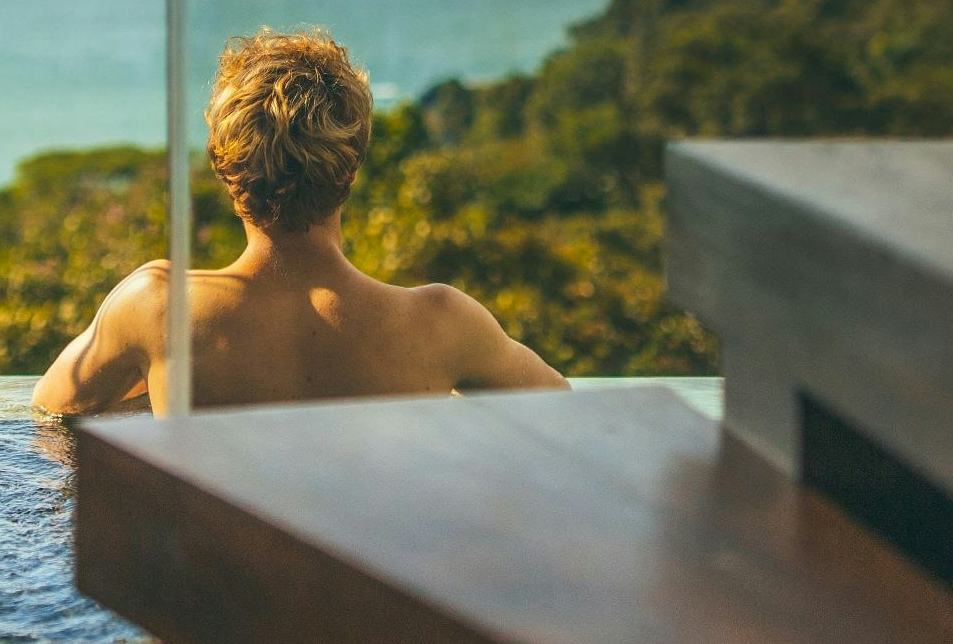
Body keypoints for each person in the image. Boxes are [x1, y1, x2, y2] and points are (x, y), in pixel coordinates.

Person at [32, 28, 566, 415]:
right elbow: (559, 404)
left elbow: (53, 406)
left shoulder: (156, 309)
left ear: (225, 170)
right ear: (350, 169)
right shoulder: (440, 324)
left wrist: (156, 383)